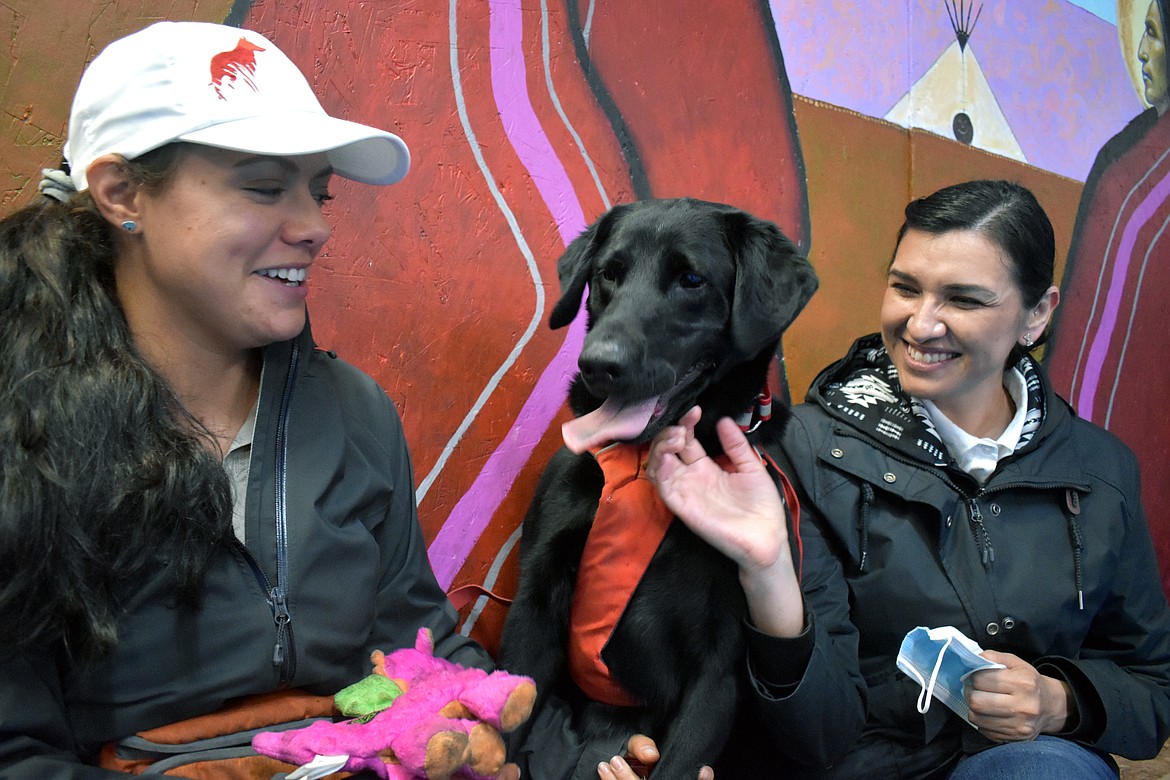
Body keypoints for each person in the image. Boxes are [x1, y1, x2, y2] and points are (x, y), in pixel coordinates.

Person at [0, 20, 684, 780]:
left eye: (318, 192)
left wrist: (579, 759)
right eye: (264, 187)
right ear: (123, 193)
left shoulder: (356, 415)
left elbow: (417, 650)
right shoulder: (21, 437)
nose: (315, 226)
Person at [646, 179, 1170, 778]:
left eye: (964, 300)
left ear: (1037, 314)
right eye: (905, 288)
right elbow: (817, 735)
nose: (921, 325)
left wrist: (1061, 702)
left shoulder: (1101, 469)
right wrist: (768, 576)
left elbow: (1153, 684)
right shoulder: (800, 451)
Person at [1045, 0, 1170, 597]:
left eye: (1156, 34)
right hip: (1079, 433)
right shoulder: (1131, 151)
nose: (1145, 54)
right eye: (1141, 34)